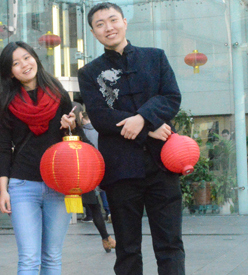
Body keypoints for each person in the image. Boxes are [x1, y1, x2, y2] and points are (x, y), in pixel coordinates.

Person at [78, 3, 184, 275]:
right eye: (100, 24)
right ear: (93, 32)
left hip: (163, 165)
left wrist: (142, 117)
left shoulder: (155, 57)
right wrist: (147, 126)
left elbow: (171, 97)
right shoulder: (89, 72)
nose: (108, 27)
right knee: (127, 248)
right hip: (121, 171)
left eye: (113, 20)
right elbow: (100, 116)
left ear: (125, 22)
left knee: (170, 244)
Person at [0, 41, 76, 275]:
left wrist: (70, 126)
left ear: (35, 59)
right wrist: (4, 190)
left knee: (51, 257)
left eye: (27, 58)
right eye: (15, 63)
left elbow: (72, 139)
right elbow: (4, 150)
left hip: (58, 185)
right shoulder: (4, 103)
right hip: (22, 186)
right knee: (29, 259)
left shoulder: (58, 93)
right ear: (10, 72)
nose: (24, 65)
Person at [72, 102, 116, 253]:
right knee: (94, 207)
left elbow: (89, 145)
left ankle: (106, 238)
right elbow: (89, 146)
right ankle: (106, 238)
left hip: (75, 177)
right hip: (78, 177)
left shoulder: (77, 131)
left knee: (94, 207)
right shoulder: (77, 131)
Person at [81, 110, 112, 222]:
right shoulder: (100, 130)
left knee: (90, 189)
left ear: (83, 119)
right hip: (101, 161)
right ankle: (108, 212)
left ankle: (90, 215)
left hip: (88, 163)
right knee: (102, 188)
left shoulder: (82, 131)